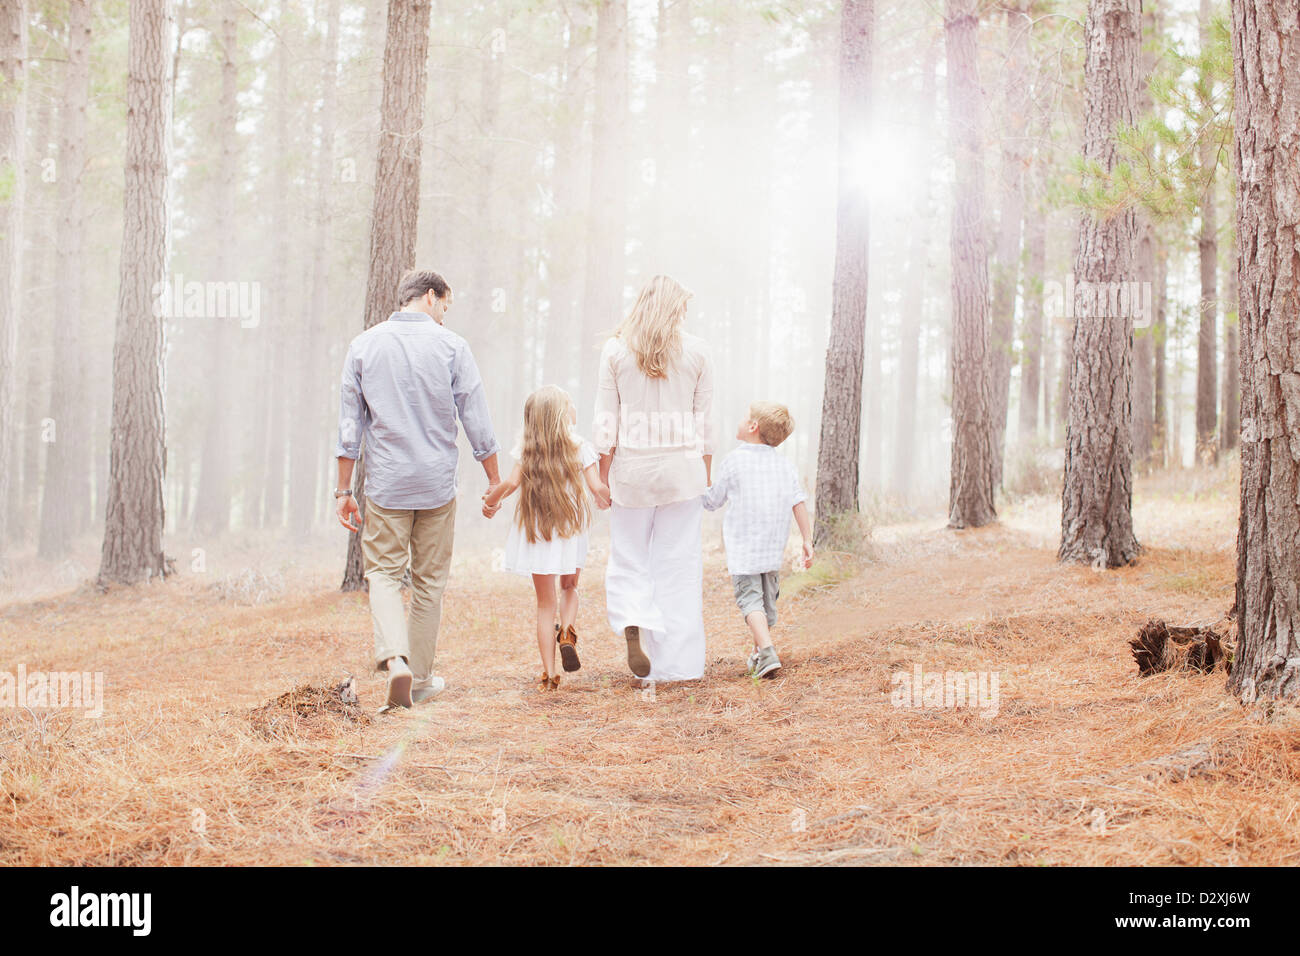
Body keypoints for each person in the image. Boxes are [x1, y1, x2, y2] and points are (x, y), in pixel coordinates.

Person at [335, 269, 501, 711]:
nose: (446, 315)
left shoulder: (364, 346)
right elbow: (477, 418)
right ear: (430, 297)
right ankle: (423, 678)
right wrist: (494, 478)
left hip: (387, 485)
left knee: (386, 575)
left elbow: (350, 426)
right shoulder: (452, 347)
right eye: (446, 305)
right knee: (429, 583)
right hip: (436, 485)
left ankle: (396, 660)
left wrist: (342, 489)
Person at [594, 275, 714, 683]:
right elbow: (705, 424)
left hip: (632, 474)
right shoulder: (698, 351)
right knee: (677, 564)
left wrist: (601, 478)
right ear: (675, 308)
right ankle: (676, 666)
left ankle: (632, 619)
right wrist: (705, 477)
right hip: (682, 473)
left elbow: (606, 422)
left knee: (629, 557)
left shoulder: (615, 350)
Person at [482, 386, 611, 691]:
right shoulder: (580, 446)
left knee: (544, 604)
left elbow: (512, 482)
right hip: (570, 528)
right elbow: (596, 487)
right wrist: (608, 496)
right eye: (570, 405)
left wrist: (491, 501)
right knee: (569, 586)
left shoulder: (528, 449)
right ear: (561, 415)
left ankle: (550, 674)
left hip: (539, 529)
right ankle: (566, 630)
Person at [702, 402, 814, 679]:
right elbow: (798, 502)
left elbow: (712, 501)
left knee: (750, 602)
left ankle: (766, 651)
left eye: (745, 417)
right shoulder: (784, 465)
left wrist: (702, 473)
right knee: (767, 606)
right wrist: (807, 539)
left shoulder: (734, 460)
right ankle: (759, 655)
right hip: (772, 548)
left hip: (744, 549)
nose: (740, 420)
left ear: (753, 427)